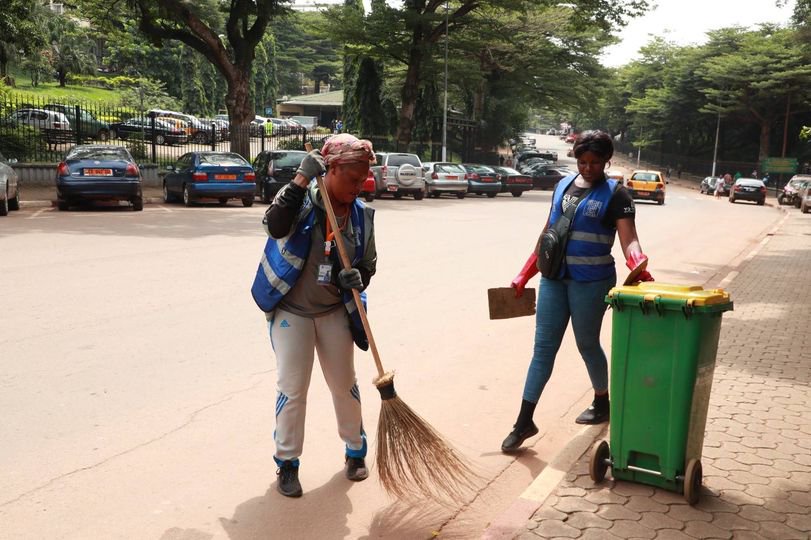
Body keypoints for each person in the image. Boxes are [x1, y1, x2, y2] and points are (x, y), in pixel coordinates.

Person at [501, 130, 654, 453]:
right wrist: (525, 273)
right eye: (582, 162)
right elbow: (548, 235)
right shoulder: (562, 186)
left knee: (587, 343)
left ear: (606, 161)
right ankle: (523, 422)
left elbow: (629, 239)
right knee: (543, 349)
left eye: (594, 162)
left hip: (592, 282)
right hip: (554, 279)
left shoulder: (618, 196)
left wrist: (637, 262)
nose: (587, 168)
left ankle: (602, 401)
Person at [251, 134, 377, 497]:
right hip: (292, 312)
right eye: (352, 178)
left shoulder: (362, 216)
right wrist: (300, 178)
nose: (358, 186)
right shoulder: (301, 201)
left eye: (363, 179)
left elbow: (369, 263)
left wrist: (358, 276)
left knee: (344, 385)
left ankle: (355, 452)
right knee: (292, 390)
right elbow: (274, 226)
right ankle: (287, 463)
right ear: (331, 169)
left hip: (333, 310)